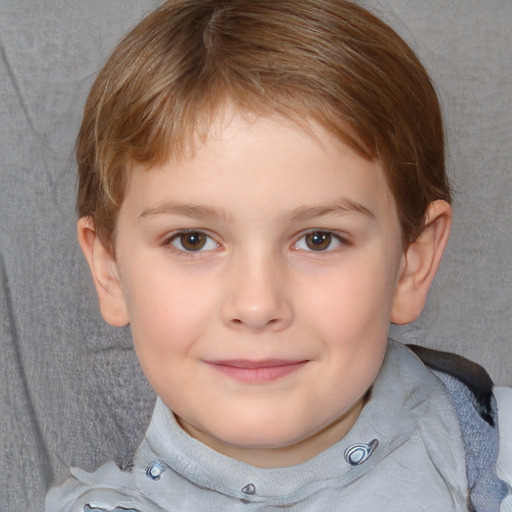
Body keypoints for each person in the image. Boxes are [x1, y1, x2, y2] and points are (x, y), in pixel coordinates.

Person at [46, 0, 511, 510]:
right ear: (110, 271)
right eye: (192, 240)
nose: (257, 304)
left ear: (411, 263)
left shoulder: (495, 456)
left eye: (318, 239)